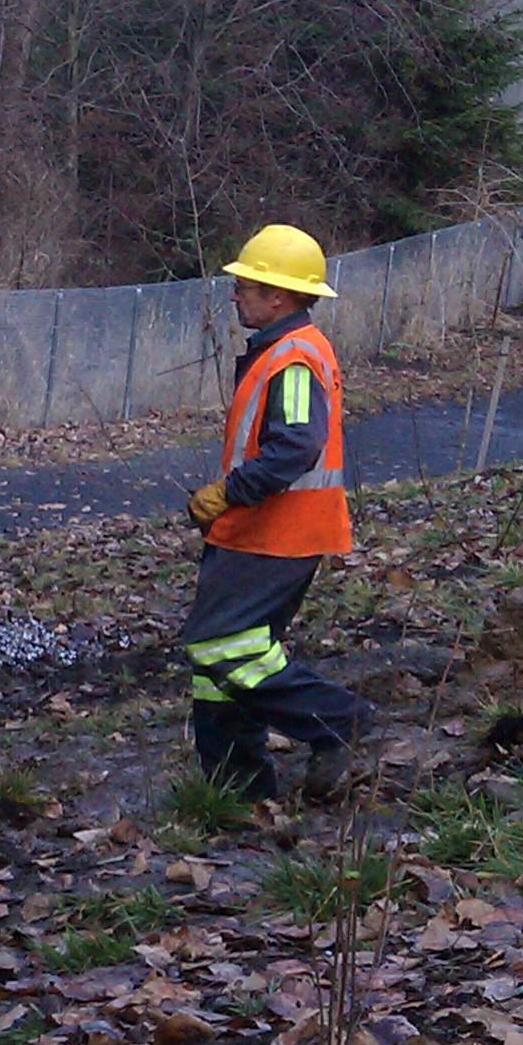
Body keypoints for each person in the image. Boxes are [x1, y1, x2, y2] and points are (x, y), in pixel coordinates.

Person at [179, 224, 374, 803]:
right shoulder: (286, 348)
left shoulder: (292, 357)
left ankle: (339, 720)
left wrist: (230, 492)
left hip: (276, 534)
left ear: (279, 296)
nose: (236, 293)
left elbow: (295, 446)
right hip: (257, 533)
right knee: (220, 664)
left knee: (221, 646)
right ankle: (236, 789)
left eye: (247, 285)